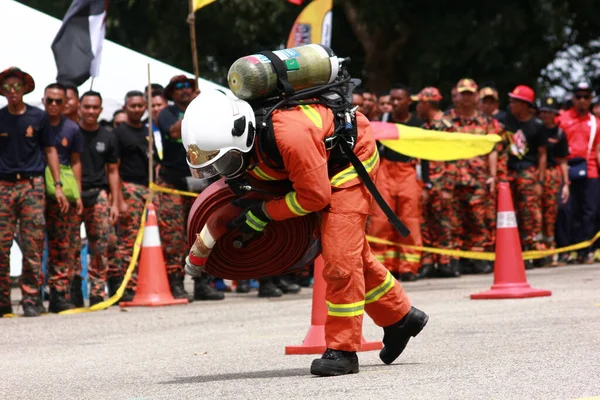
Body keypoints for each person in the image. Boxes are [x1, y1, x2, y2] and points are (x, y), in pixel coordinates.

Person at [181, 89, 428, 377]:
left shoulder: (290, 135)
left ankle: (343, 351)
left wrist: (264, 213)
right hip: (315, 165)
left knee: (340, 261)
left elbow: (315, 198)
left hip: (349, 162)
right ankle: (401, 318)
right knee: (350, 251)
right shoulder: (248, 141)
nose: (223, 171)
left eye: (224, 161)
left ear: (243, 134)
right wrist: (203, 250)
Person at [0, 67, 68, 317]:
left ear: (24, 88)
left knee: (32, 244)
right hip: (4, 186)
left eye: (17, 86)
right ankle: (2, 300)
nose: (13, 91)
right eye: (8, 87)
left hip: (32, 186)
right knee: (1, 246)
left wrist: (58, 185)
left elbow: (50, 150)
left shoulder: (38, 117)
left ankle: (31, 299)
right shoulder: (0, 117)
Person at [42, 83, 84, 312]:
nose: (55, 105)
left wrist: (76, 192)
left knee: (63, 243)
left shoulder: (72, 128)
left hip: (63, 193)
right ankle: (34, 296)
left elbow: (76, 161)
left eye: (60, 101)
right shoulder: (36, 122)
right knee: (34, 246)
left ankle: (60, 294)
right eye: (51, 101)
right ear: (43, 100)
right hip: (36, 187)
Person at [502, 85, 547, 267]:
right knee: (509, 213)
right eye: (511, 100)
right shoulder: (505, 121)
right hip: (508, 170)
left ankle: (532, 250)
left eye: (515, 101)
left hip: (528, 170)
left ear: (525, 105)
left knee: (530, 212)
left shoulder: (537, 126)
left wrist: (540, 180)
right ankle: (513, 251)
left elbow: (543, 154)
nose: (511, 104)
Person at [556, 82, 600, 264]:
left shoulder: (595, 122)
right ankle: (566, 250)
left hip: (590, 170)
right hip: (565, 169)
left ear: (590, 100)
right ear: (573, 99)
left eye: (586, 97)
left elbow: (598, 150)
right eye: (578, 96)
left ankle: (585, 249)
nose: (582, 100)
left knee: (589, 211)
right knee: (566, 209)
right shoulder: (562, 119)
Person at [537, 97, 569, 266]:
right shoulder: (535, 129)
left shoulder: (559, 133)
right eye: (543, 112)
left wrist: (566, 184)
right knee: (535, 214)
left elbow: (563, 160)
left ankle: (549, 250)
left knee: (550, 213)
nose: (546, 116)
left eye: (549, 113)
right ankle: (536, 250)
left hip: (552, 174)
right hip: (535, 173)